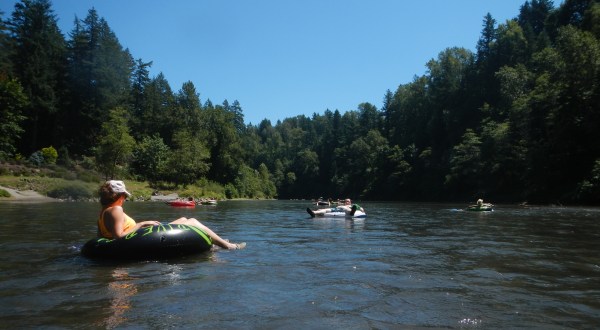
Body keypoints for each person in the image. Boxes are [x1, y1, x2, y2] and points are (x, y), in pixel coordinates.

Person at [98, 180, 245, 249]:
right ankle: (227, 245)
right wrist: (141, 224)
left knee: (183, 218)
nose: (125, 199)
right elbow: (118, 236)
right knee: (192, 220)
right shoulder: (116, 210)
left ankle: (217, 241)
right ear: (119, 195)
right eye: (124, 196)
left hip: (140, 236)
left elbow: (102, 236)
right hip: (140, 238)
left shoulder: (104, 212)